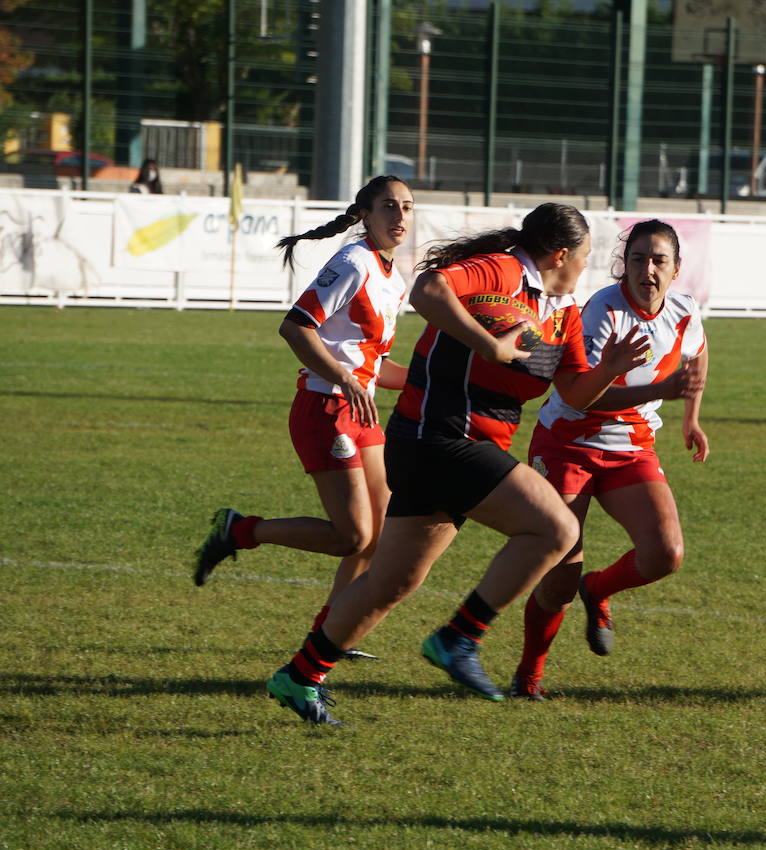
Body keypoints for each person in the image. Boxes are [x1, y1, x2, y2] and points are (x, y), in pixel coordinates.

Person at [265, 202, 649, 725]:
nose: (585, 266)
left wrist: (612, 368)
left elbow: (578, 395)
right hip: (436, 434)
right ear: (561, 253)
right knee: (556, 530)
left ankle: (300, 675)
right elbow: (429, 291)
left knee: (392, 582)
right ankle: (459, 638)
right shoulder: (506, 268)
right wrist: (489, 344)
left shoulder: (563, 314)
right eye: (584, 257)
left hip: (464, 443)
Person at [193, 175, 415, 660]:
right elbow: (295, 327)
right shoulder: (353, 262)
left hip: (361, 408)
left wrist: (432, 377)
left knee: (378, 534)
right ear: (365, 214)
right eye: (388, 206)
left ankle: (330, 631)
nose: (399, 216)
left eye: (406, 206)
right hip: (326, 407)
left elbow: (374, 364)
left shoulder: (394, 277)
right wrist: (346, 378)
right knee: (352, 536)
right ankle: (241, 530)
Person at [511, 219, 710, 700]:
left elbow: (698, 354)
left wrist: (691, 419)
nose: (648, 269)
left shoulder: (684, 311)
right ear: (625, 264)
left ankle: (599, 590)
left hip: (632, 447)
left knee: (666, 554)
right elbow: (583, 398)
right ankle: (529, 677)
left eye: (659, 259)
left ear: (677, 268)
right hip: (568, 443)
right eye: (638, 258)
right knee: (560, 573)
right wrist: (661, 389)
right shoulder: (601, 311)